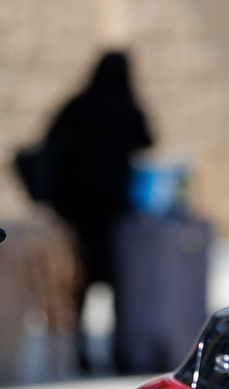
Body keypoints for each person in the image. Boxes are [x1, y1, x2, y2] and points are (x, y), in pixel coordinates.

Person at [30, 50, 153, 371]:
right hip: (113, 212)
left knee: (78, 283)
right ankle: (117, 351)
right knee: (118, 285)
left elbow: (49, 141)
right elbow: (148, 140)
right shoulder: (126, 108)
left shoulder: (79, 105)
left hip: (77, 210)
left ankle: (80, 349)